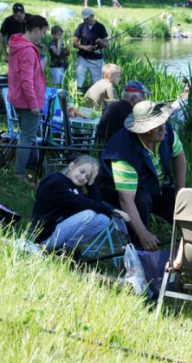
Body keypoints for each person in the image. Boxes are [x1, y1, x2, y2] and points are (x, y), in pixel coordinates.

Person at [99, 101, 186, 251]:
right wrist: (143, 234)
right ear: (145, 130)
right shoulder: (123, 151)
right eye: (157, 124)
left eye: (163, 121)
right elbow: (126, 200)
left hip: (152, 185)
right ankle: (139, 249)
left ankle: (189, 241)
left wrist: (180, 189)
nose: (163, 127)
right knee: (142, 199)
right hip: (116, 191)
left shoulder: (166, 132)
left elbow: (179, 156)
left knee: (178, 198)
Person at [31, 155, 129, 251]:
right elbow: (84, 203)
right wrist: (112, 210)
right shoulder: (55, 182)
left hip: (57, 232)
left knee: (103, 219)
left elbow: (97, 202)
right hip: (44, 236)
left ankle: (65, 248)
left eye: (87, 177)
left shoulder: (74, 186)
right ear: (71, 166)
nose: (83, 178)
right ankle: (65, 249)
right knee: (89, 214)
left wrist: (91, 182)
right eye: (82, 172)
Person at [7, 15, 49, 187]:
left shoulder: (18, 43)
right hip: (27, 101)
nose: (44, 36)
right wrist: (33, 105)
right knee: (27, 137)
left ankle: (21, 168)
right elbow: (27, 80)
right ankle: (19, 173)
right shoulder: (27, 51)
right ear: (37, 30)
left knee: (25, 135)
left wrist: (40, 50)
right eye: (43, 32)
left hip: (18, 98)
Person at [95, 80, 150, 145]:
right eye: (143, 96)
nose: (144, 100)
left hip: (101, 148)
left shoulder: (110, 106)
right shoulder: (131, 113)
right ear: (134, 98)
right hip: (119, 150)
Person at [73, 8, 109, 89]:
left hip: (96, 59)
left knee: (97, 83)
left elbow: (106, 45)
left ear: (92, 16)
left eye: (87, 18)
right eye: (84, 18)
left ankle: (93, 97)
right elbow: (74, 43)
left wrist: (101, 42)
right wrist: (84, 47)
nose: (85, 20)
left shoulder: (100, 27)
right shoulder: (81, 26)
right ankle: (78, 94)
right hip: (83, 58)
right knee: (79, 78)